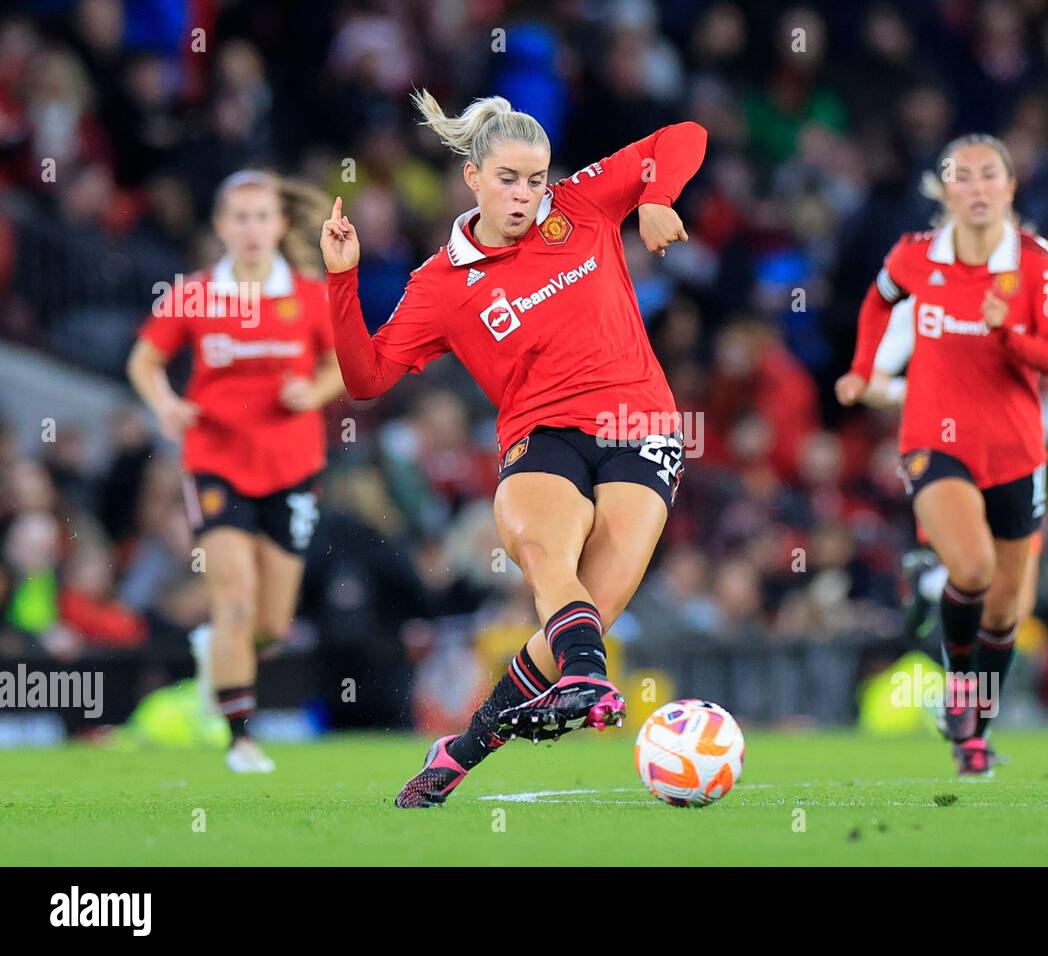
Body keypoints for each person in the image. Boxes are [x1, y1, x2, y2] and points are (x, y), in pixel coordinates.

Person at [320, 93, 707, 807]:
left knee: (581, 615)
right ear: (472, 177)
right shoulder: (439, 285)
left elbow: (685, 134)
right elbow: (365, 379)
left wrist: (656, 196)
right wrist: (342, 281)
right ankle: (586, 679)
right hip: (542, 438)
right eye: (508, 179)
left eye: (535, 179)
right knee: (550, 564)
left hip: (641, 427)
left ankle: (462, 750)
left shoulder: (581, 205)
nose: (526, 194)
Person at [836, 134, 1048, 777]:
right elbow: (877, 300)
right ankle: (959, 674)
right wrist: (861, 369)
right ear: (944, 191)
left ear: (1010, 187)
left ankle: (974, 731)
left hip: (1016, 451)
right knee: (971, 569)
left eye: (988, 175)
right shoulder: (916, 256)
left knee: (1006, 610)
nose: (976, 188)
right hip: (934, 441)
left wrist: (1010, 332)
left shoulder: (1038, 263)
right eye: (961, 177)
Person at [127, 170, 344, 773]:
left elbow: (345, 364)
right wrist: (167, 405)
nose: (251, 230)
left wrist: (315, 391)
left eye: (262, 217)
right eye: (239, 218)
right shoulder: (195, 294)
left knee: (272, 624)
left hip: (294, 466)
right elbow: (145, 361)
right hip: (216, 463)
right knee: (236, 603)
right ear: (221, 226)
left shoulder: (308, 295)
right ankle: (239, 738)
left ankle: (215, 660)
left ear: (280, 224)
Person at [860, 285, 1048, 639]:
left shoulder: (1042, 289)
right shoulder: (928, 296)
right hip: (953, 443)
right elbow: (869, 379)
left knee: (1016, 604)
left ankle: (932, 583)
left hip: (1020, 452)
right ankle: (938, 599)